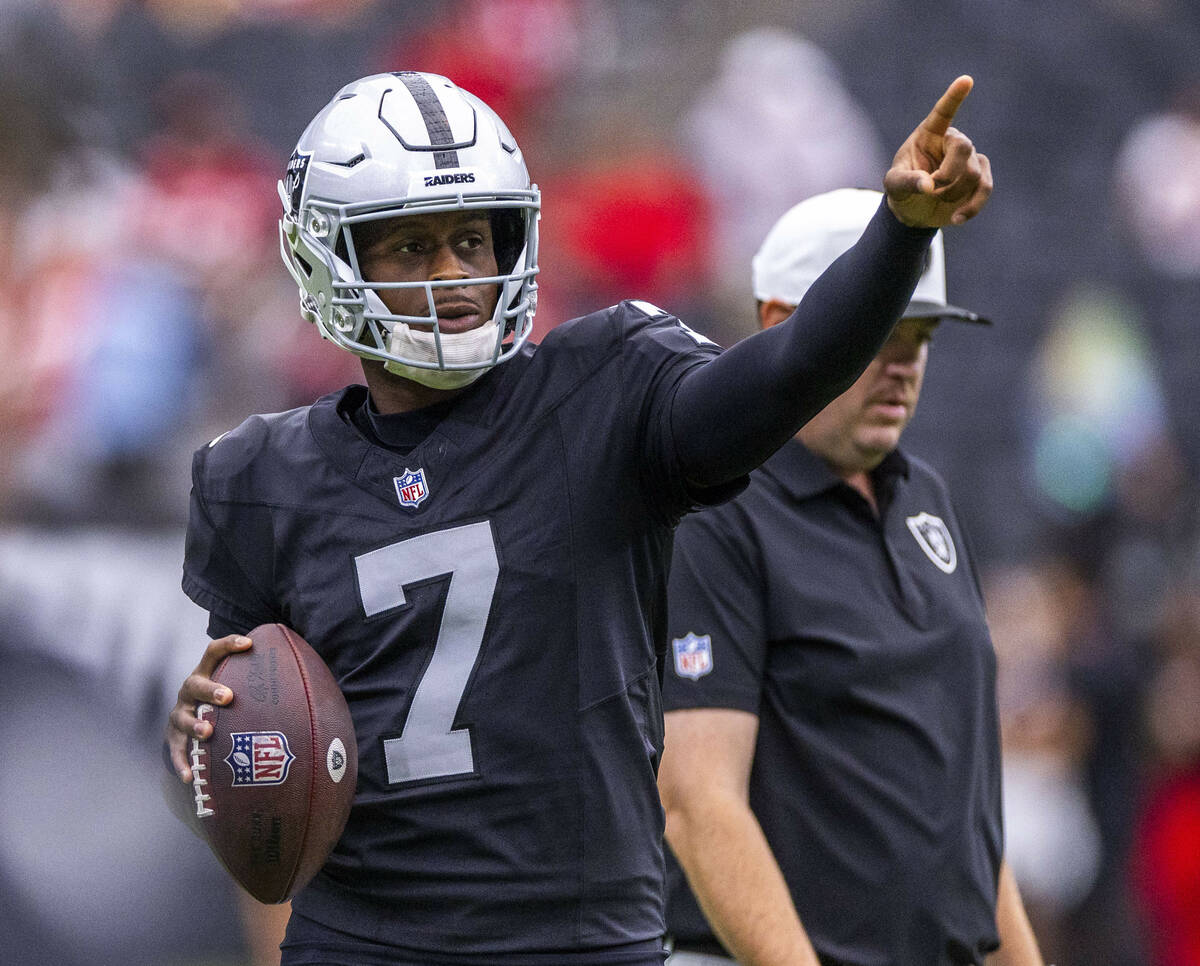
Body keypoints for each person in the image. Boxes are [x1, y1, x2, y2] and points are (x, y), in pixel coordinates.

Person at [165, 71, 992, 966]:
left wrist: (900, 232)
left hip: (579, 940)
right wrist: (204, 741)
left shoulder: (604, 390)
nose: (454, 275)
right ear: (330, 258)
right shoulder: (260, 476)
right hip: (365, 941)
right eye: (410, 247)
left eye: (470, 239)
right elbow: (254, 744)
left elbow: (791, 368)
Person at [657, 187, 1041, 966]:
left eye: (922, 335)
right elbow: (698, 802)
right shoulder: (718, 511)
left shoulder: (926, 499)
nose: (905, 364)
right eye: (881, 331)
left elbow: (966, 818)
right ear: (780, 325)